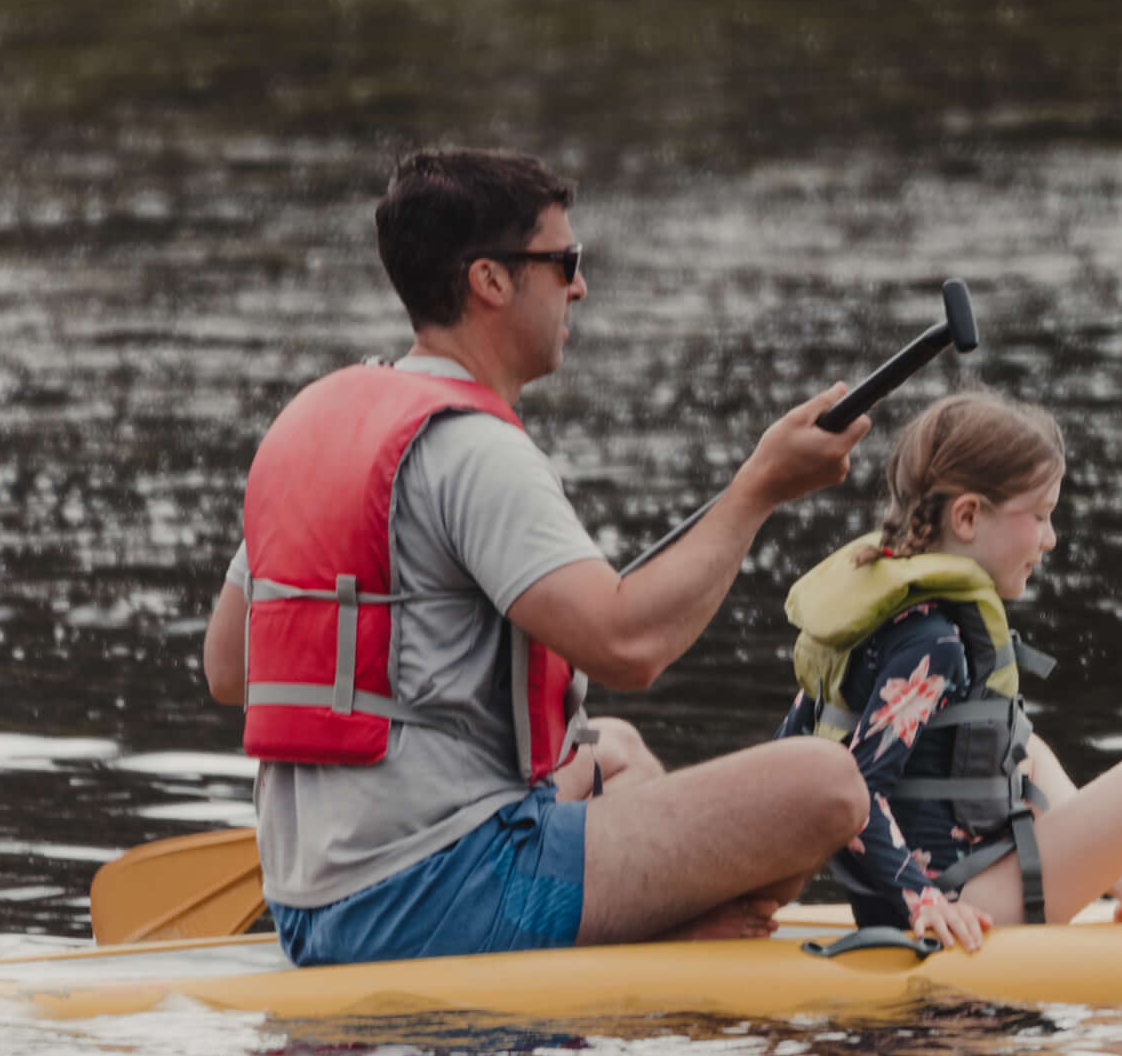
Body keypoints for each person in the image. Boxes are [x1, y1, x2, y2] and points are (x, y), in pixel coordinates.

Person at [203, 147, 870, 965]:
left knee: (615, 749)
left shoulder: (317, 426)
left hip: (309, 902)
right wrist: (759, 489)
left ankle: (663, 933)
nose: (578, 286)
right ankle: (666, 944)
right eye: (565, 261)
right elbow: (629, 644)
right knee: (828, 782)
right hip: (439, 898)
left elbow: (228, 667)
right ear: (490, 280)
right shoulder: (476, 449)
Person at [778, 392, 1122, 951]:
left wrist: (759, 892)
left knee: (1021, 743)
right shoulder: (934, 643)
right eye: (1039, 515)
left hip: (935, 886)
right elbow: (856, 790)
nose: (1050, 538)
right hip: (968, 906)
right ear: (968, 516)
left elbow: (791, 751)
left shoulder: (875, 610)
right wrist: (925, 901)